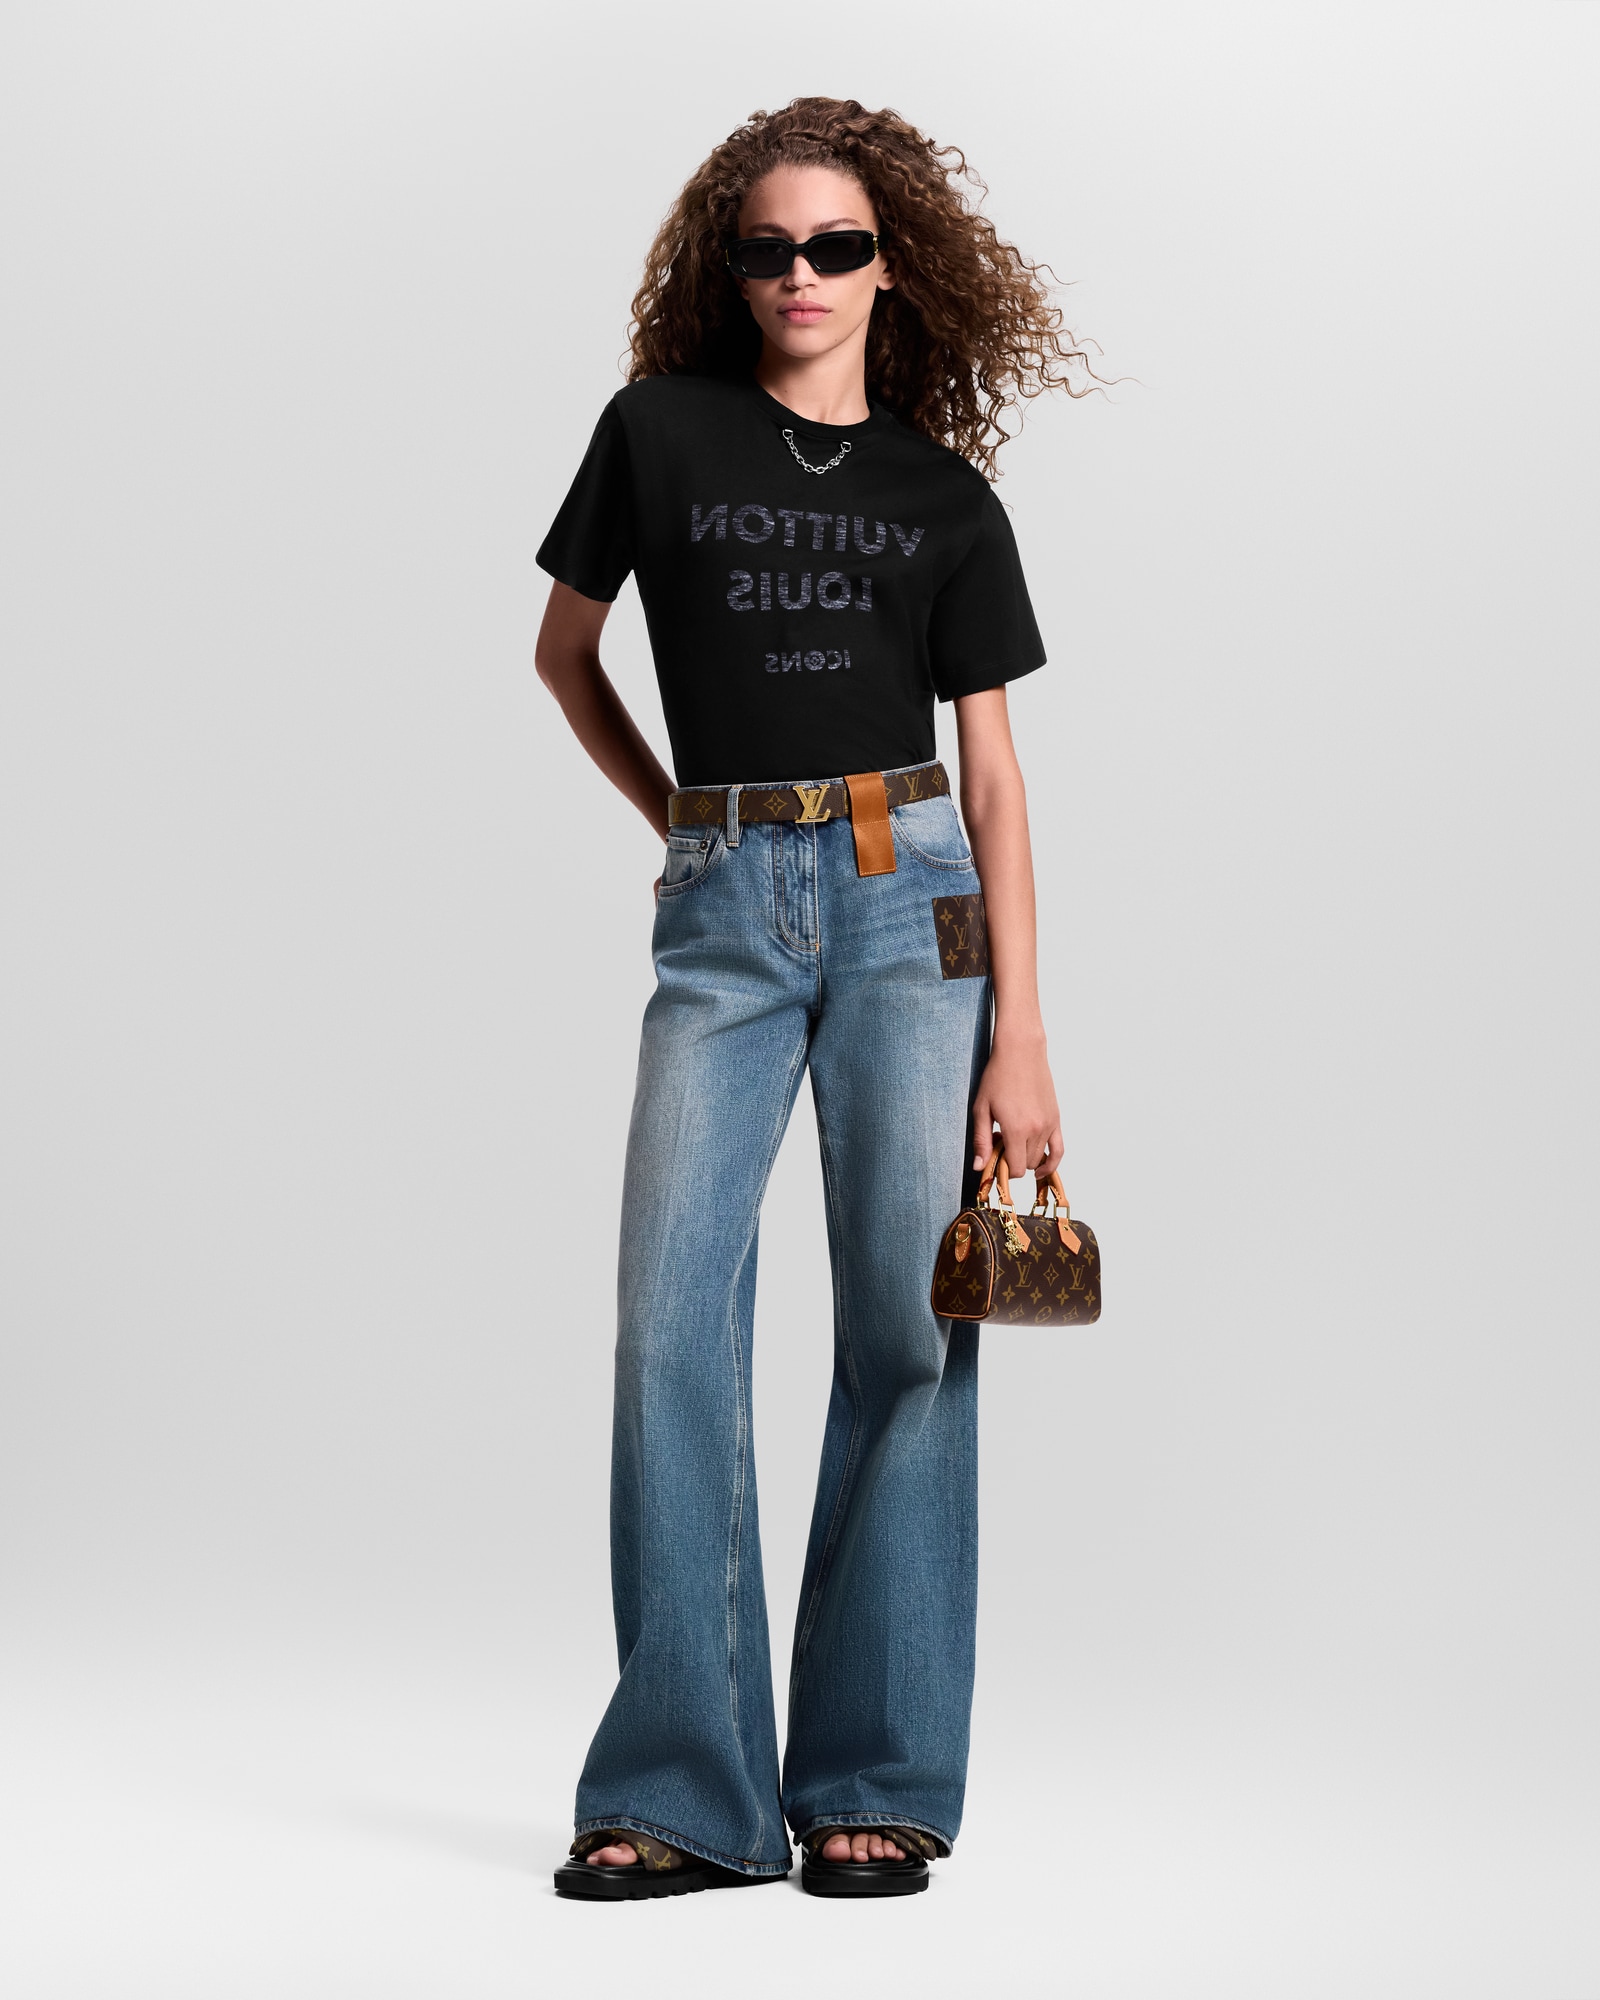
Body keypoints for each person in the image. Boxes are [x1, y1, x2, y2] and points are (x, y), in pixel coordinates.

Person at [536, 97, 1093, 1900]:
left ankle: (874, 1774)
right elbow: (565, 654)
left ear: (890, 267)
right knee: (667, 1325)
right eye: (769, 248)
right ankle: (684, 1790)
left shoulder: (947, 497)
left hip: (911, 902)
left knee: (909, 1328)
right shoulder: (658, 432)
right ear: (733, 267)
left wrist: (1023, 1035)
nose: (802, 275)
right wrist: (683, 826)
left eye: (836, 247)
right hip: (725, 907)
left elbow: (993, 779)